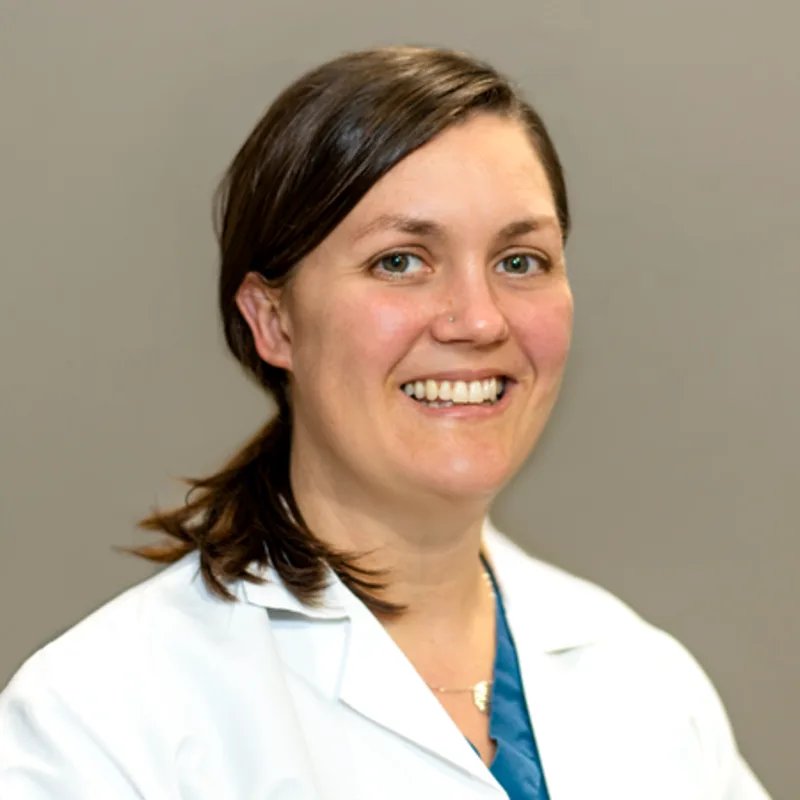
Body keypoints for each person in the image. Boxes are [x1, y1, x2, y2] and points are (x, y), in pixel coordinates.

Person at [0, 45, 770, 799]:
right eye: (401, 261)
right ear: (273, 322)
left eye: (520, 261)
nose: (477, 320)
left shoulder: (645, 684)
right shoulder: (100, 722)